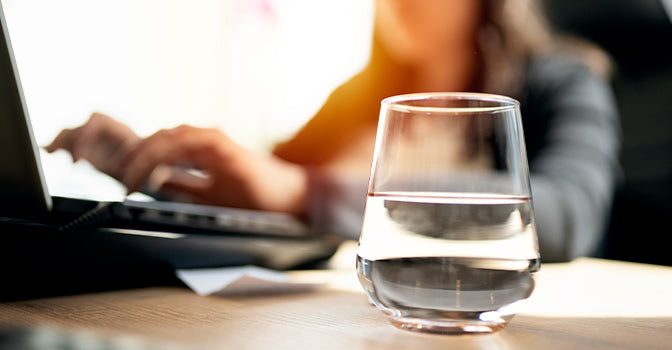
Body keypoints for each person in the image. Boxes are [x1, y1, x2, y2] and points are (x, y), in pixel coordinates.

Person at [46, 0, 621, 263]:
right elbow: (257, 185)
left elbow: (563, 212)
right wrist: (141, 163)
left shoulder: (561, 80)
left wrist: (306, 192)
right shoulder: (358, 99)